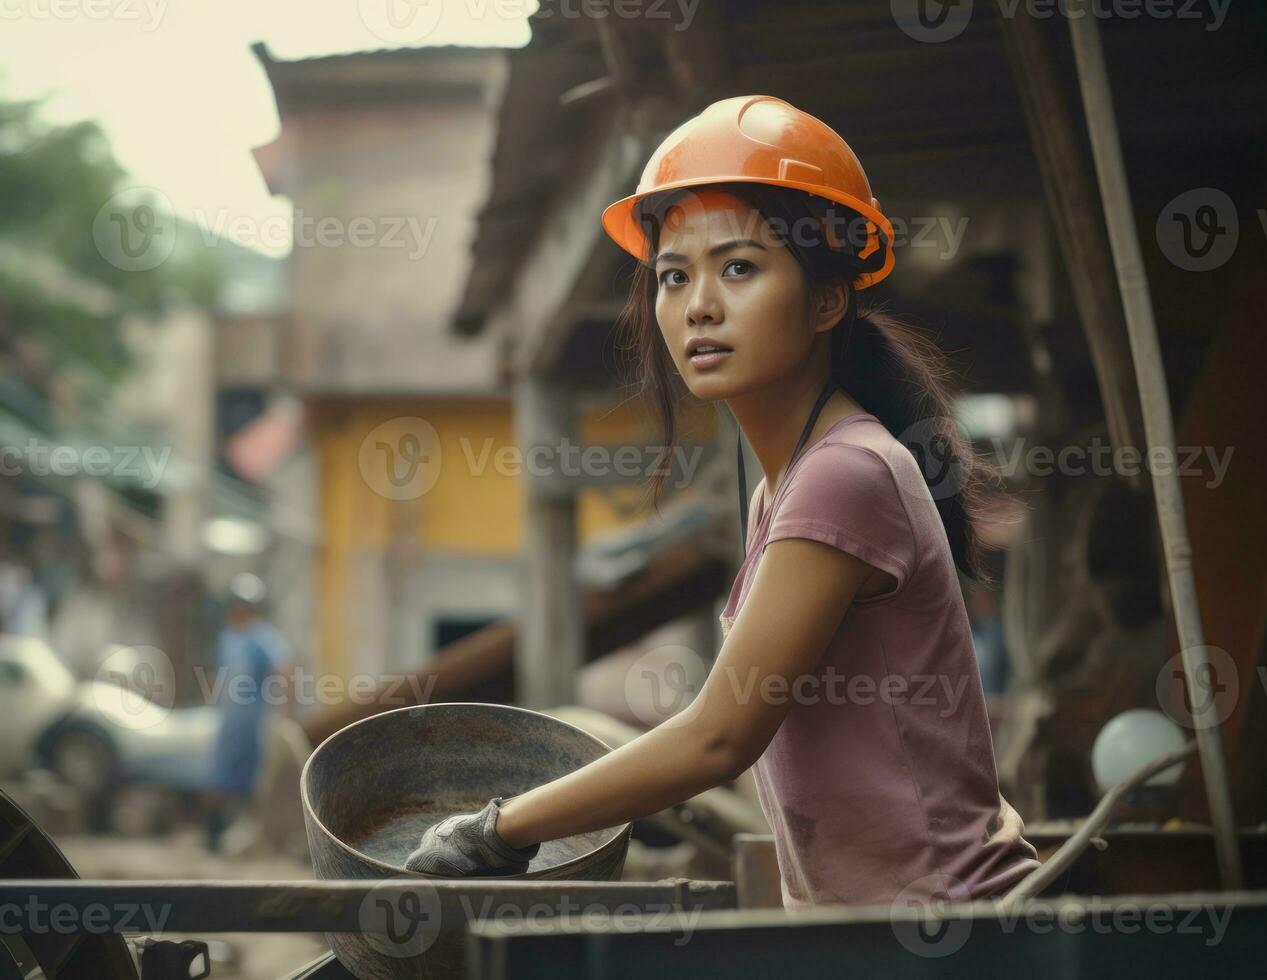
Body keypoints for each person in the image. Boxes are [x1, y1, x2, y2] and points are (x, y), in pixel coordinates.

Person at [405, 95, 1041, 908]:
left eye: (738, 267)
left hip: (947, 939)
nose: (699, 303)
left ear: (824, 300)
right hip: (868, 938)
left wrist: (493, 829)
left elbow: (719, 735)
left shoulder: (846, 474)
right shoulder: (786, 485)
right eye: (674, 276)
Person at [201, 572, 289, 854]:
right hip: (229, 722)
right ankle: (213, 835)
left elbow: (285, 672)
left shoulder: (263, 639)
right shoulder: (227, 637)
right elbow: (219, 674)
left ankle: (254, 837)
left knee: (254, 782)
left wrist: (285, 711)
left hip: (252, 723)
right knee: (218, 779)